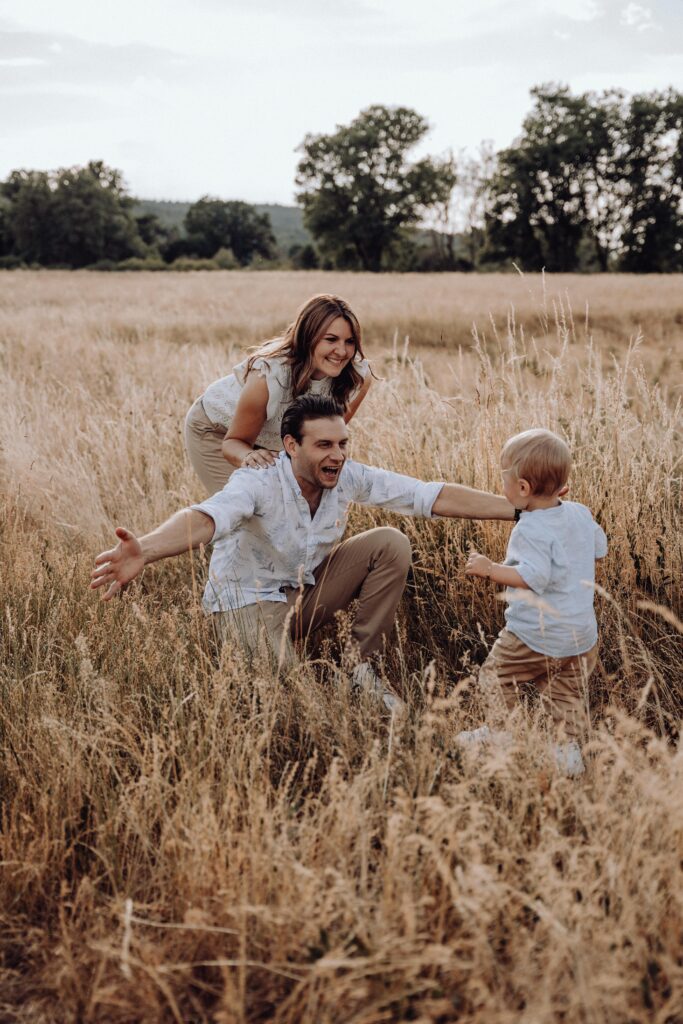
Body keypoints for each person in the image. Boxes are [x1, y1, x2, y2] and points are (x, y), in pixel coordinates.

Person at [92, 395, 519, 715]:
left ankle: (360, 670)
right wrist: (145, 550)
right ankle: (302, 680)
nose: (337, 455)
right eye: (324, 445)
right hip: (248, 604)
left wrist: (518, 510)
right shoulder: (257, 481)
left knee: (390, 543)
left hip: (303, 595)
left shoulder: (346, 475)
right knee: (302, 706)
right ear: (291, 445)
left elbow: (427, 495)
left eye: (343, 444)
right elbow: (207, 518)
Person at [459, 428, 607, 776]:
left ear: (523, 488)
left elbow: (533, 577)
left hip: (536, 633)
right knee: (565, 695)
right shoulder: (580, 513)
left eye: (503, 478)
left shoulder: (529, 529)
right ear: (563, 488)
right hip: (581, 635)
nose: (502, 487)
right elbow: (599, 549)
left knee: (496, 678)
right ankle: (566, 752)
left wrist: (490, 569)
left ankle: (500, 735)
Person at [184, 293, 373, 494]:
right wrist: (250, 457)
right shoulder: (269, 375)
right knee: (248, 512)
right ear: (308, 338)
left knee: (287, 512)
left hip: (270, 444)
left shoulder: (358, 378)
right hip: (218, 431)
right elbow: (234, 442)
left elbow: (322, 439)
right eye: (331, 340)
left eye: (350, 341)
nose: (342, 351)